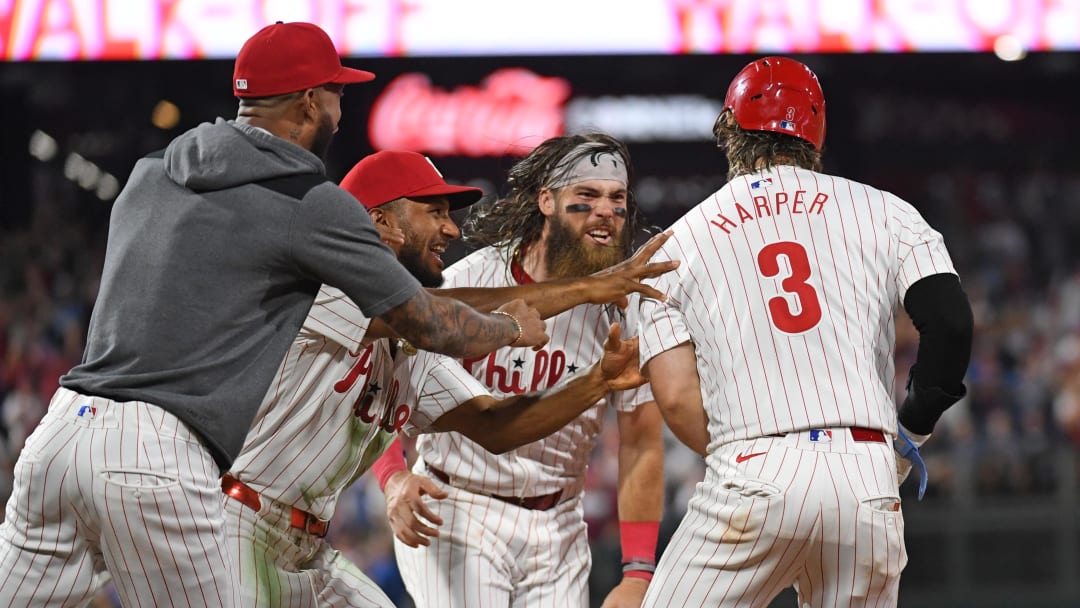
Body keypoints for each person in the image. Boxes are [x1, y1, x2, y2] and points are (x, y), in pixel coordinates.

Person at [0, 22, 548, 608]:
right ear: (310, 100)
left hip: (60, 435)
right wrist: (512, 326)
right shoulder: (309, 204)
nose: (342, 108)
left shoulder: (149, 173)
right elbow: (430, 324)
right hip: (156, 451)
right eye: (337, 92)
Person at [222, 149, 676, 608]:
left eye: (617, 197)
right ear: (379, 221)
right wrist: (548, 309)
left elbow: (495, 426)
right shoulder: (321, 286)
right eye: (434, 212)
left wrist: (598, 381)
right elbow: (436, 317)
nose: (452, 229)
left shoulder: (416, 349)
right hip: (241, 523)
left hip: (309, 544)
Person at [636, 56, 974, 607]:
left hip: (751, 469)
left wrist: (752, 456)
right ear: (814, 132)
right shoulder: (886, 212)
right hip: (865, 473)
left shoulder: (673, 244)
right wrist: (910, 432)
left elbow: (676, 398)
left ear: (731, 132)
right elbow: (952, 325)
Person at [375, 134, 667, 608]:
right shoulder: (470, 281)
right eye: (586, 197)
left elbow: (640, 441)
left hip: (560, 522)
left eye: (617, 199)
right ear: (546, 200)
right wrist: (393, 479)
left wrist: (637, 570)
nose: (606, 211)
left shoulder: (625, 307)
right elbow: (381, 385)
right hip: (457, 507)